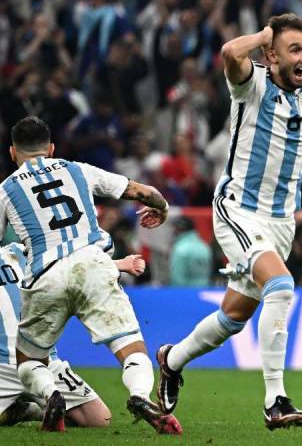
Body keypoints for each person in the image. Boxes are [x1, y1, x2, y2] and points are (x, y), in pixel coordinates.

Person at [154, 12, 302, 429]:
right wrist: (264, 36)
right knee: (281, 285)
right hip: (239, 208)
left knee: (233, 317)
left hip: (281, 219)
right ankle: (276, 399)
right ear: (270, 55)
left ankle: (172, 358)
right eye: (295, 50)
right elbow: (228, 52)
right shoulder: (250, 81)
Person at [0, 116, 181, 434]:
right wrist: (162, 207)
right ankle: (139, 396)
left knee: (28, 359)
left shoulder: (6, 190)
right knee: (130, 346)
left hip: (45, 274)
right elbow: (140, 191)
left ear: (13, 153)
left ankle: (50, 395)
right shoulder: (78, 169)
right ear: (52, 148)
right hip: (94, 264)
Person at [0, 248, 144, 428]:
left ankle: (31, 410)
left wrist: (119, 264)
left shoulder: (20, 251)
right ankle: (21, 410)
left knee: (99, 420)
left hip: (41, 359)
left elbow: (68, 267)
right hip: (2, 366)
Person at [169, 216, 212, 286]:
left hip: (185, 293)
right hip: (203, 290)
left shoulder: (180, 249)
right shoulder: (204, 246)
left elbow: (177, 278)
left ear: (179, 229)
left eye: (175, 228)